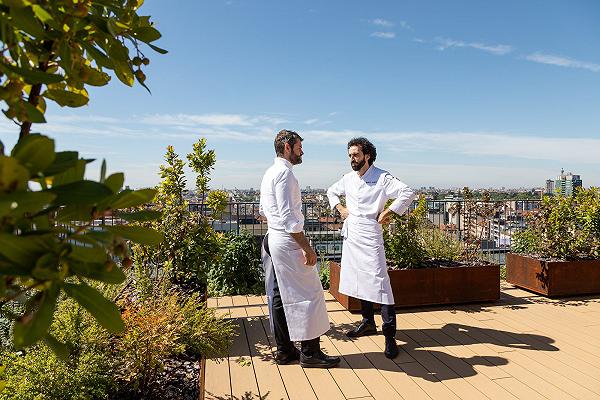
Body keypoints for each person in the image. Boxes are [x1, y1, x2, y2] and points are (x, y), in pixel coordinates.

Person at [326, 137, 416, 359]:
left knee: (380, 283)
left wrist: (391, 211)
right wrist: (339, 207)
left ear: (367, 155)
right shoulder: (347, 178)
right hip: (352, 234)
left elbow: (408, 192)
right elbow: (330, 191)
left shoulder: (382, 177)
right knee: (359, 279)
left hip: (370, 234)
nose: (352, 159)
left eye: (355, 155)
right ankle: (367, 322)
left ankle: (389, 336)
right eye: (349, 155)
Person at [259, 129, 340, 368]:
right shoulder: (286, 175)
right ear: (287, 147)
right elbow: (289, 217)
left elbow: (264, 212)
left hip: (274, 238)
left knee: (280, 296)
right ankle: (310, 353)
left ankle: (285, 351)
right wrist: (306, 247)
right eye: (299, 147)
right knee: (308, 295)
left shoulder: (269, 173)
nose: (302, 151)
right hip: (288, 240)